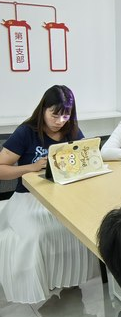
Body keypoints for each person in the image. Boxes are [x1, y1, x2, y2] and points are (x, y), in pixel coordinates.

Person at [0, 86, 98, 303]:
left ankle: (70, 278)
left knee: (79, 228)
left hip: (63, 197)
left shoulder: (72, 131)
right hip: (29, 198)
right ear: (43, 109)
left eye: (66, 115)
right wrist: (31, 167)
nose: (60, 121)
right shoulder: (26, 132)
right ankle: (44, 283)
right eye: (55, 115)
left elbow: (84, 159)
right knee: (36, 235)